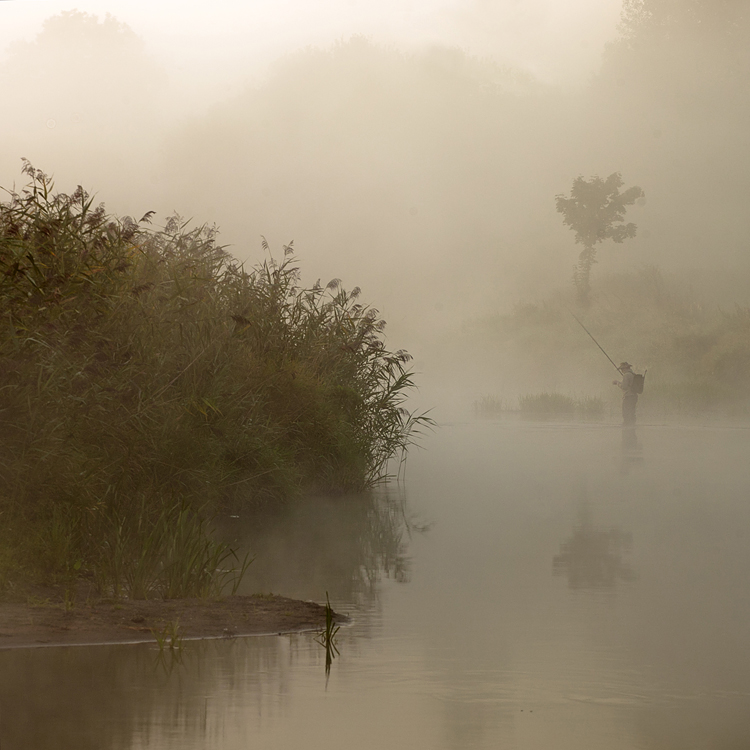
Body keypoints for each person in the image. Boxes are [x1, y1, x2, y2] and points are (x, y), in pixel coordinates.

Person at [613, 362, 638, 426]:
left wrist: (617, 383)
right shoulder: (633, 374)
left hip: (628, 397)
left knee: (626, 413)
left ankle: (627, 427)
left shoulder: (626, 375)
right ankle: (632, 427)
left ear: (625, 368)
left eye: (622, 369)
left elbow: (624, 387)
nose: (621, 370)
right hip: (634, 396)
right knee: (632, 412)